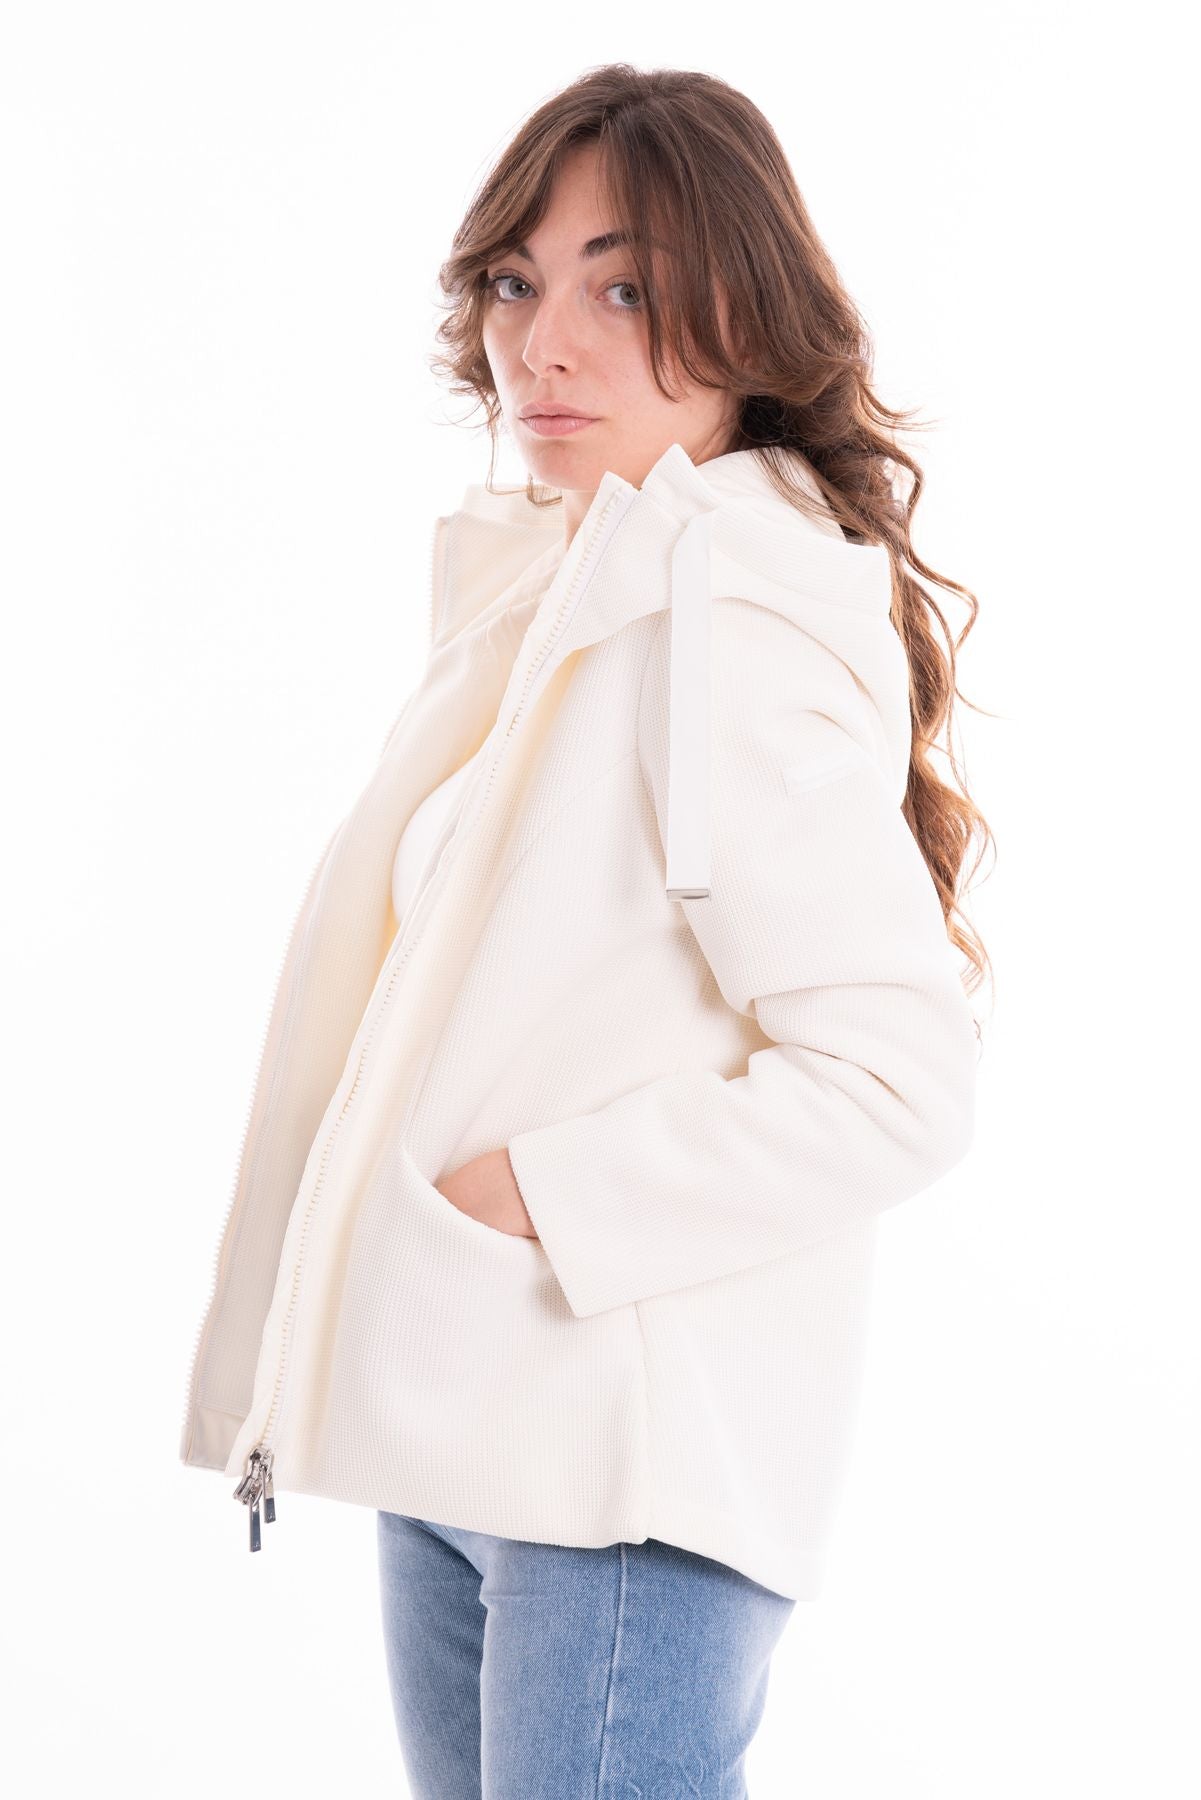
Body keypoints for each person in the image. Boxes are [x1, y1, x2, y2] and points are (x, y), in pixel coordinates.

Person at [180, 63, 992, 1797]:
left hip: (617, 1478)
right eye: (515, 281)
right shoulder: (574, 599)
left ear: (742, 320)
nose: (541, 345)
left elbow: (899, 1080)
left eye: (621, 292)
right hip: (468, 1440)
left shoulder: (728, 620)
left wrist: (535, 1197)